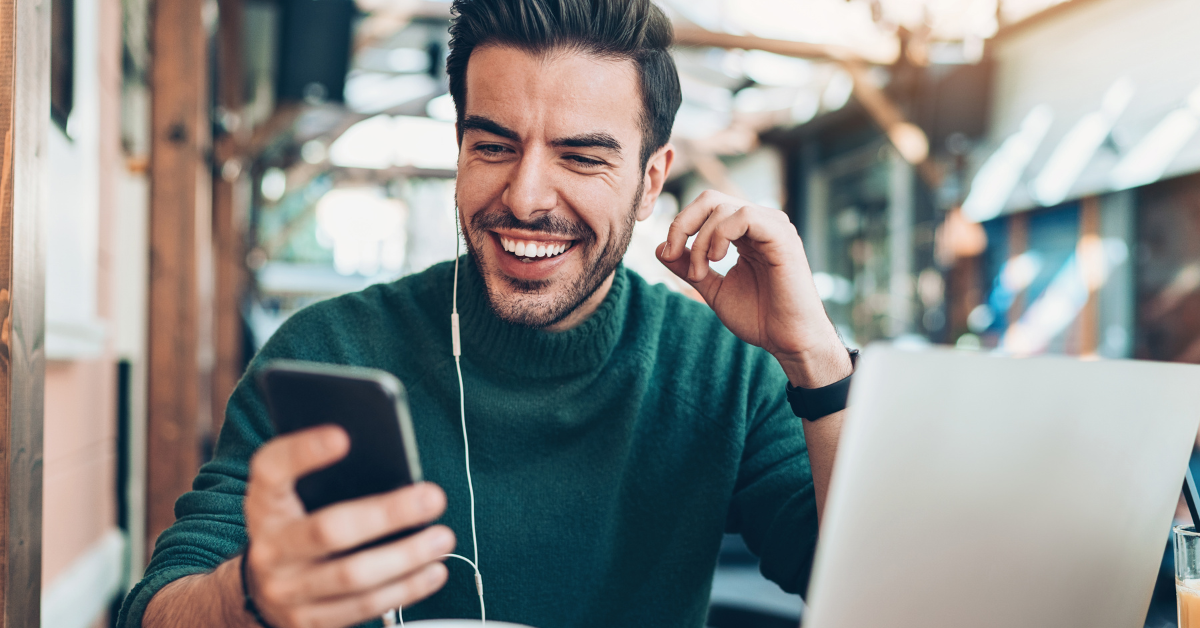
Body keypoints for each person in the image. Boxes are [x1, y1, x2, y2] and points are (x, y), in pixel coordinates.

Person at [118, 0, 853, 626]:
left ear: (650, 178)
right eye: (494, 145)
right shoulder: (329, 349)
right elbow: (155, 607)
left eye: (582, 157)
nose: (527, 196)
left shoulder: (724, 369)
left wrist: (815, 358)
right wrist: (248, 595)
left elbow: (860, 583)